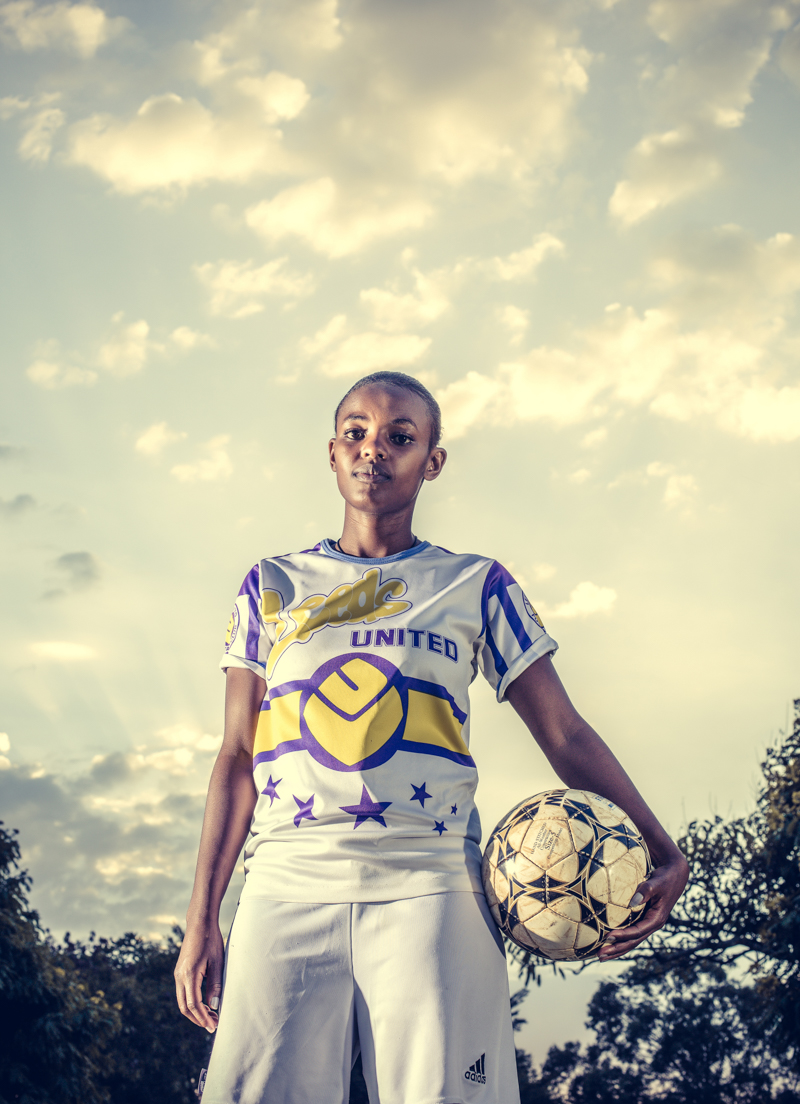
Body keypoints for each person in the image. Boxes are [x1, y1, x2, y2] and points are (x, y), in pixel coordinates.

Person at [174, 370, 689, 1104]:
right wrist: (202, 923)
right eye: (355, 433)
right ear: (330, 453)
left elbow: (563, 731)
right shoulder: (271, 585)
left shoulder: (474, 584)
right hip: (285, 883)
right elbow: (234, 758)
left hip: (431, 882)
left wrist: (659, 845)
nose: (373, 450)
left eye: (399, 437)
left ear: (432, 462)